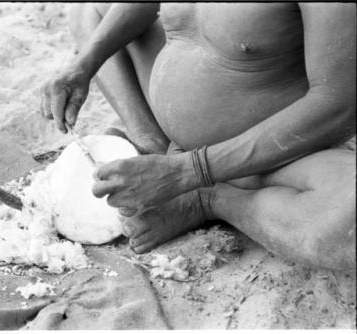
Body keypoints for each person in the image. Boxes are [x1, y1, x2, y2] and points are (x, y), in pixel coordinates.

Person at [40, 3, 356, 271]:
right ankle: (149, 143)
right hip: (169, 130)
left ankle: (210, 197)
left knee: (348, 221)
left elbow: (340, 105)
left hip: (269, 153)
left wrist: (189, 173)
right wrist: (83, 65)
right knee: (89, 9)